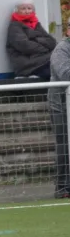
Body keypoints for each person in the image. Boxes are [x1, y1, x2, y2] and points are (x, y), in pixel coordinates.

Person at [6, 0, 56, 80]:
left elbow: (51, 42)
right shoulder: (14, 26)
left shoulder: (35, 23)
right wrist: (45, 48)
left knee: (59, 58)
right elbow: (25, 46)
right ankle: (36, 76)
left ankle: (39, 76)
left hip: (39, 59)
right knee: (55, 60)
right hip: (26, 63)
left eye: (29, 8)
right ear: (17, 10)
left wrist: (35, 39)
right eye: (23, 8)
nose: (27, 11)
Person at [48, 19, 70, 199]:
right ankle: (63, 187)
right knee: (64, 146)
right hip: (61, 105)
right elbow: (66, 73)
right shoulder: (61, 49)